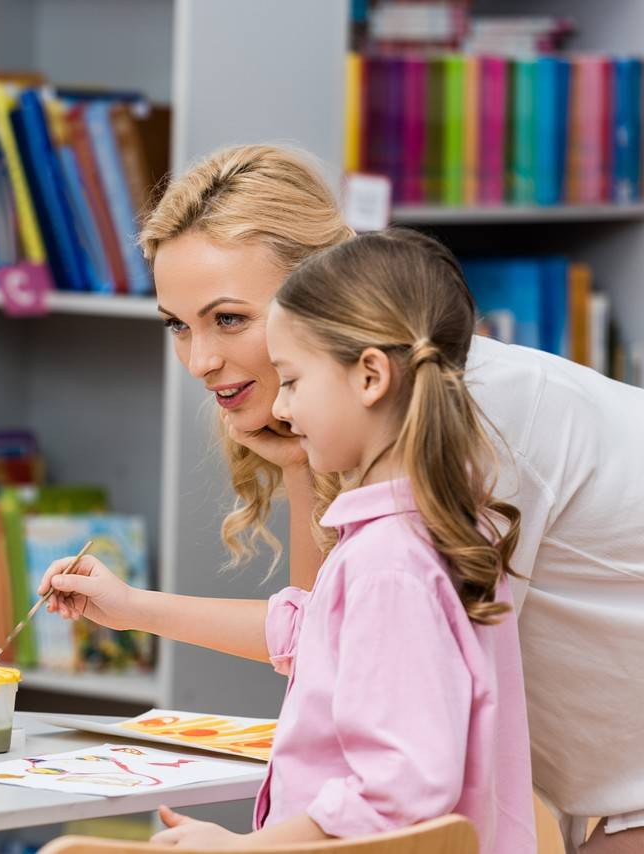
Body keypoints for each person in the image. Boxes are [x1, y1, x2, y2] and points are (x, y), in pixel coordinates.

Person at [39, 144, 644, 853]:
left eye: (229, 319)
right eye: (178, 324)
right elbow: (334, 636)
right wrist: (296, 471)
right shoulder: (395, 436)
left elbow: (382, 741)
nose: (200, 360)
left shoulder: (469, 429)